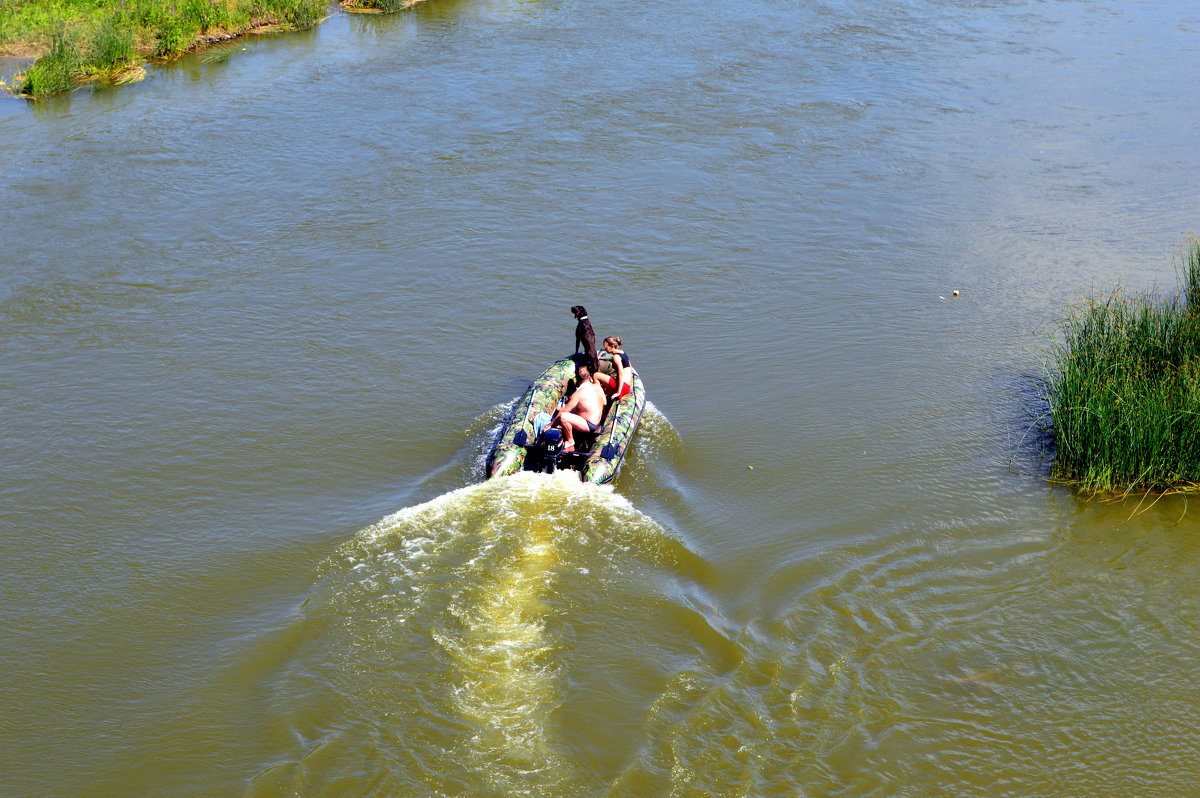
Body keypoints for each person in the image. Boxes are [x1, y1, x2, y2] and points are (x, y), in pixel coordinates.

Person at [549, 363, 607, 452]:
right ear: (589, 377)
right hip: (597, 422)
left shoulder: (578, 393)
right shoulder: (597, 387)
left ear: (578, 380)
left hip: (589, 425)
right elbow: (604, 402)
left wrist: (550, 425)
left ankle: (570, 441)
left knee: (563, 416)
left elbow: (564, 411)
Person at [595, 336, 633, 400]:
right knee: (605, 384)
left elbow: (621, 373)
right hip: (628, 386)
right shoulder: (622, 352)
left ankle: (598, 398)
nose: (605, 350)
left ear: (612, 346)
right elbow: (630, 367)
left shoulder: (616, 357)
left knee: (595, 375)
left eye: (606, 348)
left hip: (623, 388)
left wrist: (618, 392)